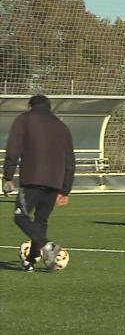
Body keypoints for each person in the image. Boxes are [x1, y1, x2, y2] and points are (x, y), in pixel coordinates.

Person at [2, 95, 75, 271]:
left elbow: (13, 148)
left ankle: (47, 246)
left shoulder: (25, 119)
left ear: (30, 106)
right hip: (55, 181)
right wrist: (65, 189)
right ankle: (30, 260)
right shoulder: (61, 126)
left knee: (21, 217)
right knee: (41, 221)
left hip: (32, 178)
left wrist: (8, 176)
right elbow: (70, 160)